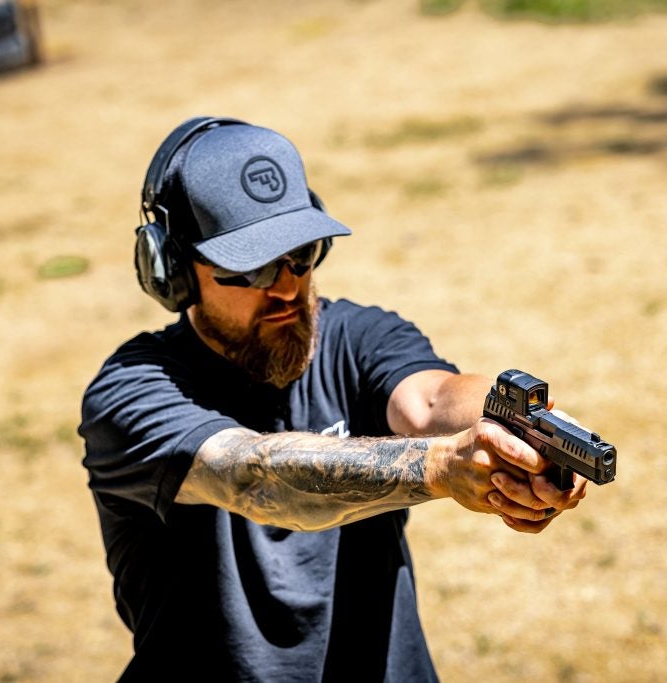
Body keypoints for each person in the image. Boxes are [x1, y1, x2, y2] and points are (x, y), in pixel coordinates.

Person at [78, 116, 589, 681]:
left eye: (302, 253)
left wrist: (518, 428)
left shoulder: (361, 335)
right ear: (171, 270)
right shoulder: (131, 391)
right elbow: (252, 477)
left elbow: (433, 401)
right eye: (251, 268)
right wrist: (440, 466)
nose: (288, 287)